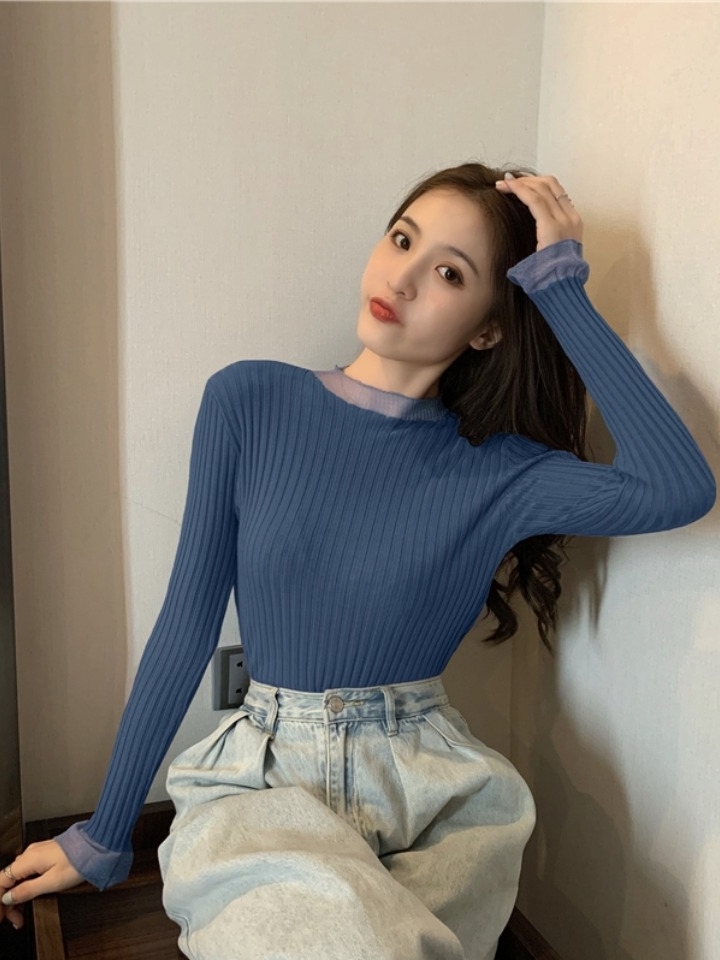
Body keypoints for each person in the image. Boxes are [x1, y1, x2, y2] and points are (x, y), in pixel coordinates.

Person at [1, 162, 715, 959]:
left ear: (489, 327)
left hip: (434, 805)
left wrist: (559, 286)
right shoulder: (249, 402)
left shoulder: (503, 472)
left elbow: (676, 487)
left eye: (449, 273)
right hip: (263, 788)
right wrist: (103, 836)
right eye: (402, 240)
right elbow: (185, 627)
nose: (401, 278)